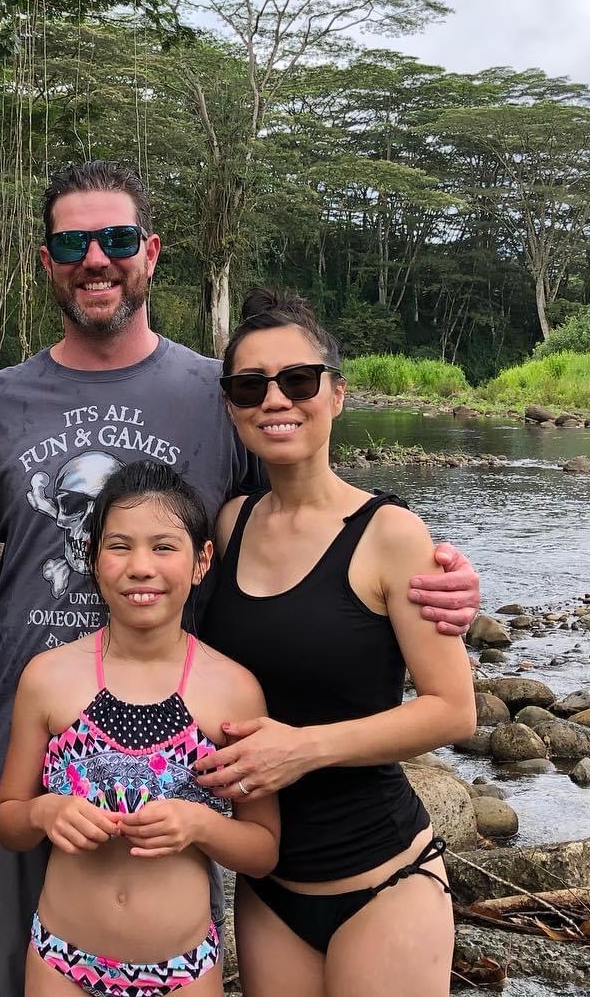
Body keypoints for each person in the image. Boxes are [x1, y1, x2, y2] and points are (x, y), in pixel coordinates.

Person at [0, 159, 483, 995]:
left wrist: (434, 569)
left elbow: (304, 521)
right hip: (16, 747)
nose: (96, 259)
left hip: (173, 772)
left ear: (149, 251)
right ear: (47, 261)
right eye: (72, 242)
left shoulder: (216, 395)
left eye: (116, 239)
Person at [194, 291, 478, 997]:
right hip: (270, 889)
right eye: (249, 386)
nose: (275, 400)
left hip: (381, 878)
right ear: (231, 405)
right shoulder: (229, 525)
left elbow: (452, 711)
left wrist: (301, 748)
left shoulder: (390, 534)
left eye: (298, 380)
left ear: (338, 394)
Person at [0, 461, 279, 995]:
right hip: (61, 961)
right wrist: (45, 810)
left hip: (183, 969)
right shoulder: (48, 677)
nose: (140, 567)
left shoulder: (234, 690)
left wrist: (199, 825)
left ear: (201, 562)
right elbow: (9, 821)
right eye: (119, 546)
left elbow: (262, 850)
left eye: (165, 547)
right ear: (92, 558)